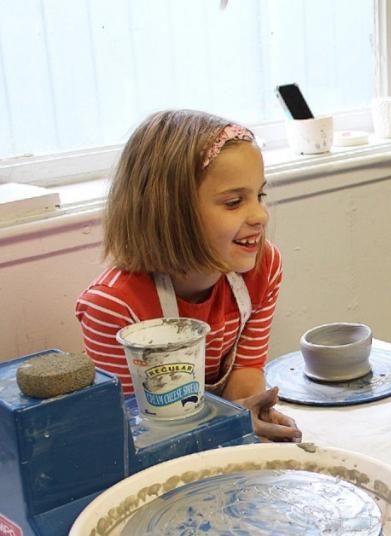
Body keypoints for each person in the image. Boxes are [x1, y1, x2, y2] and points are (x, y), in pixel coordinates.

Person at [75, 110, 301, 443]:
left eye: (260, 195)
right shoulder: (113, 307)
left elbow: (246, 371)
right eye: (234, 201)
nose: (260, 215)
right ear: (170, 212)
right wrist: (228, 428)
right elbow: (131, 430)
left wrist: (249, 415)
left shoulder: (262, 268)